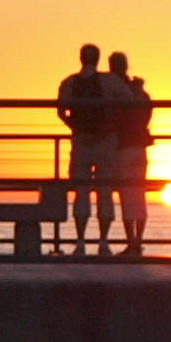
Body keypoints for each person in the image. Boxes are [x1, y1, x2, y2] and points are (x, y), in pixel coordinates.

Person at [56, 41, 115, 254]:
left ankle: (80, 241)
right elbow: (128, 102)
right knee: (105, 191)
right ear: (98, 59)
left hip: (80, 142)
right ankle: (103, 241)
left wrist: (77, 128)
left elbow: (61, 112)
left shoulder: (69, 83)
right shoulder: (108, 82)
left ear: (81, 58)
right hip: (105, 142)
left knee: (81, 192)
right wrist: (107, 129)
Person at [103, 50, 155, 255]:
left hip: (123, 146)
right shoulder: (141, 92)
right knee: (139, 194)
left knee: (126, 194)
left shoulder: (115, 90)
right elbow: (147, 113)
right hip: (140, 147)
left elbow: (114, 116)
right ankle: (138, 241)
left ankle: (131, 240)